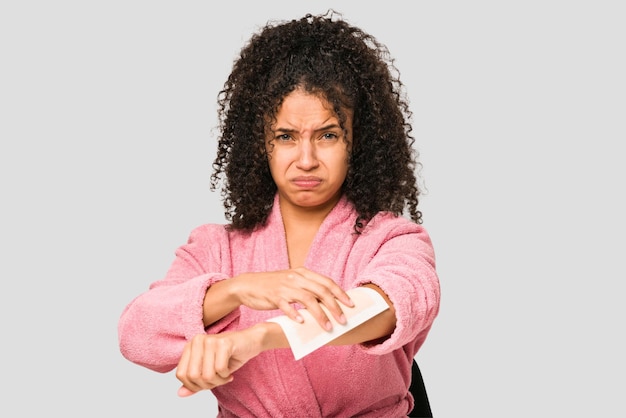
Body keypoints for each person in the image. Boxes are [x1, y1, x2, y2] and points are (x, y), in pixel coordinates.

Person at [118, 10, 440, 418]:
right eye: (285, 137)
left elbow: (388, 307)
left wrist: (259, 338)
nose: (306, 160)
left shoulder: (395, 239)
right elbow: (135, 333)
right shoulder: (216, 248)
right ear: (260, 144)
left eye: (328, 135)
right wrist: (237, 289)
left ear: (358, 142)